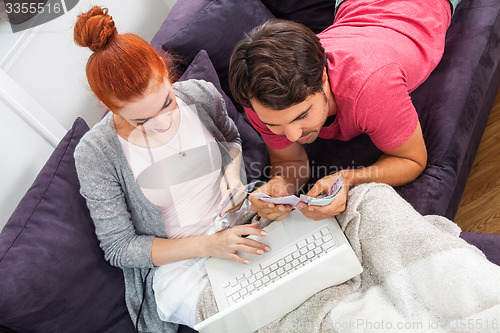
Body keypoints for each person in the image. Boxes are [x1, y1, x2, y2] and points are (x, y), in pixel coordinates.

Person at [72, 6, 270, 332]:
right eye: (142, 121)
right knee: (257, 317)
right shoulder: (96, 155)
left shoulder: (198, 95)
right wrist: (211, 245)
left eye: (166, 102)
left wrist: (232, 176)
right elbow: (120, 248)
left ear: (165, 72)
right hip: (182, 268)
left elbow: (232, 142)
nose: (164, 124)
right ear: (111, 108)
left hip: (242, 225)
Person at [228, 0, 461, 222]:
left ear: (323, 78)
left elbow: (411, 159)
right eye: (274, 125)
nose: (291, 136)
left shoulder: (371, 87)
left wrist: (349, 179)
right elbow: (289, 163)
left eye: (301, 116)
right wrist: (279, 185)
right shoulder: (259, 101)